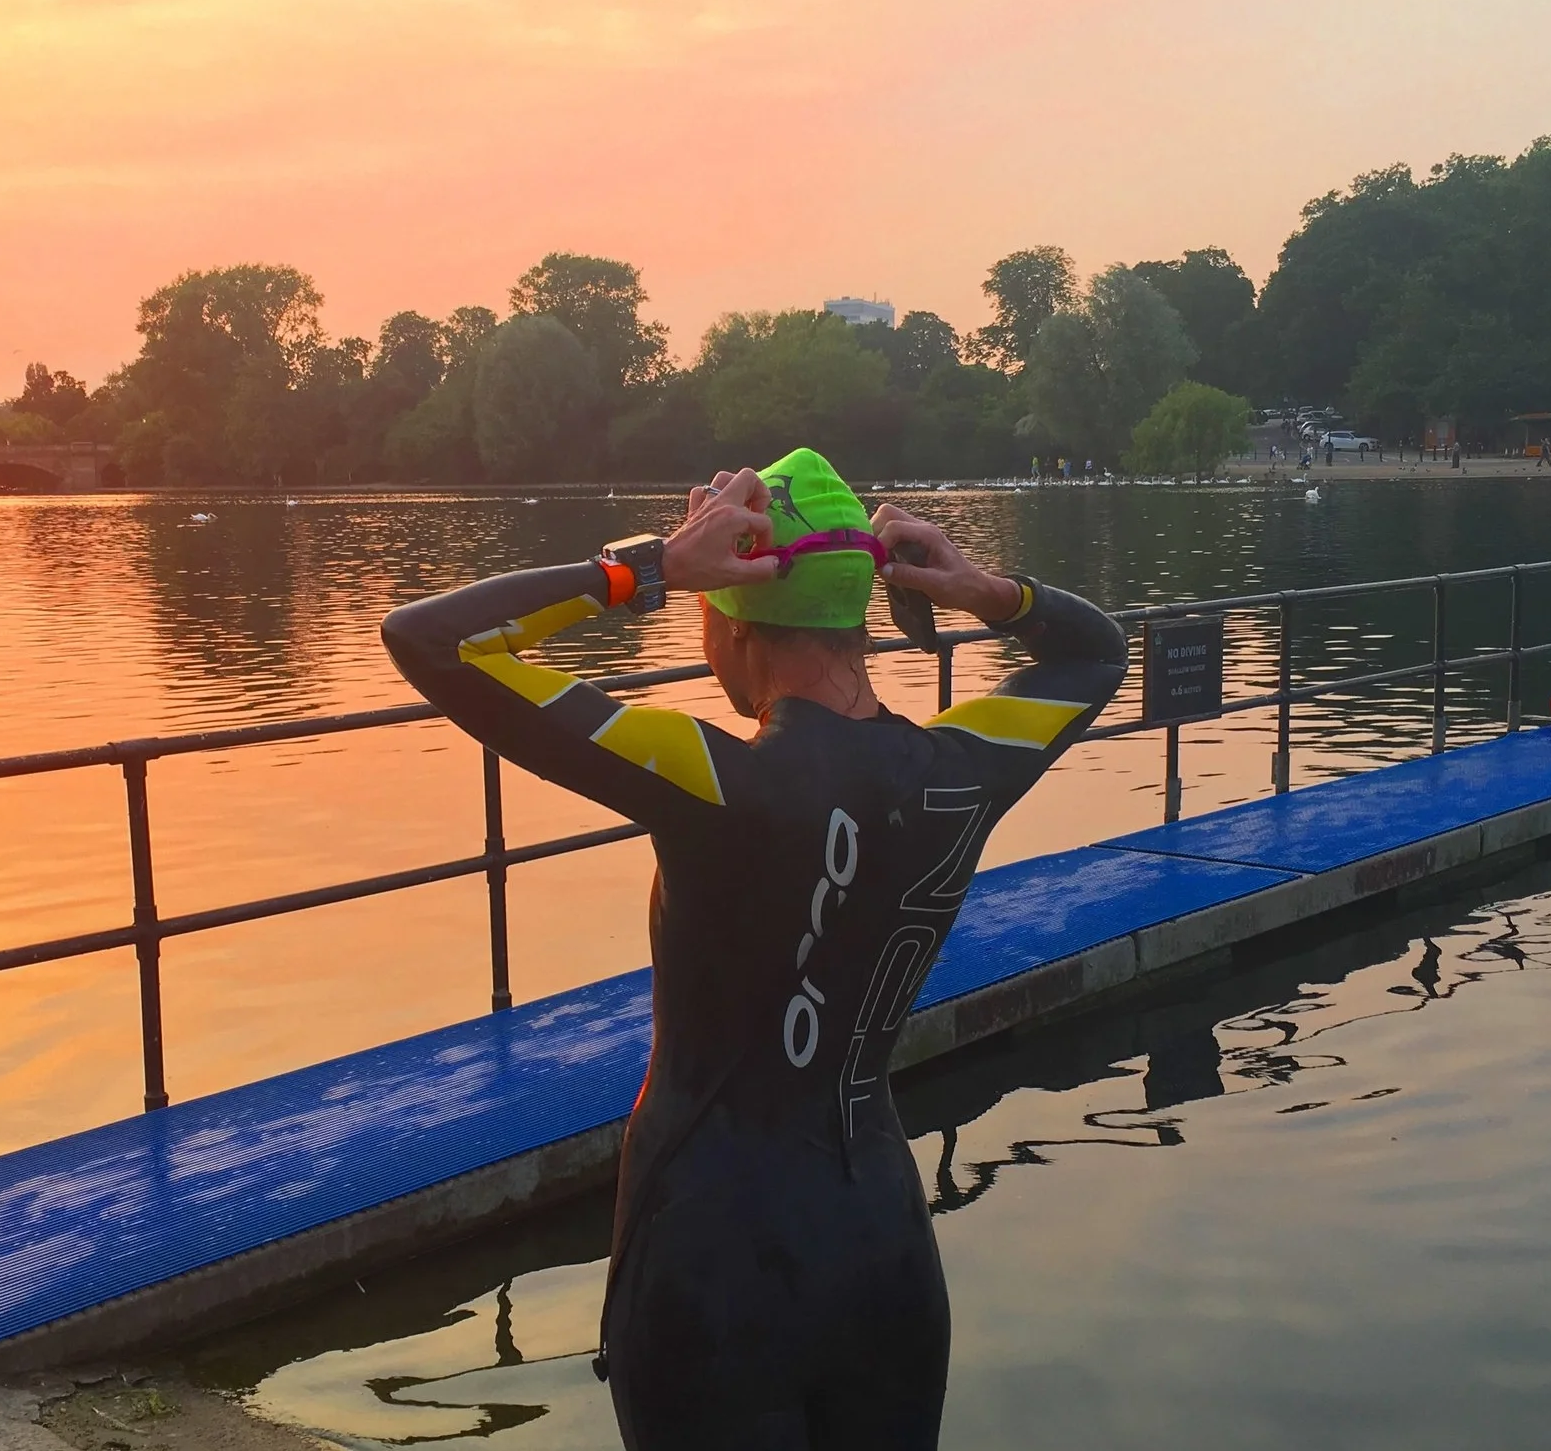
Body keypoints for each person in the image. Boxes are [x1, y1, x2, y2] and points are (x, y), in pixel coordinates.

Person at [380, 448, 1128, 1448]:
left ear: (730, 622)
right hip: (883, 1249)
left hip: (710, 1258)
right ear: (858, 621)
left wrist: (643, 569)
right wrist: (986, 591)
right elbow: (1096, 656)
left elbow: (430, 640)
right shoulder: (966, 765)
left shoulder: (709, 777)